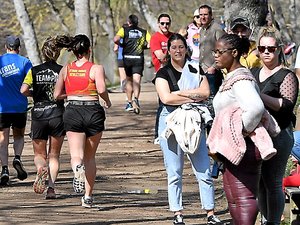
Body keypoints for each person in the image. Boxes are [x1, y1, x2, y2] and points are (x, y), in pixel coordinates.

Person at [154, 33, 222, 225]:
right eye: (173, 47)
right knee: (174, 171)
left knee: (203, 169)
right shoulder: (162, 73)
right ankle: (177, 213)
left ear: (186, 48)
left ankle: (210, 212)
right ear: (168, 50)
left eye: (181, 47)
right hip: (170, 122)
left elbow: (206, 93)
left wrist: (181, 94)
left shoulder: (194, 68)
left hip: (193, 119)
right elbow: (166, 99)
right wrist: (193, 95)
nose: (178, 50)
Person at [207, 33, 265, 224]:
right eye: (214, 51)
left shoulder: (241, 80)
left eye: (219, 51)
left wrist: (239, 132)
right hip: (234, 148)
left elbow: (256, 108)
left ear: (233, 53)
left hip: (244, 148)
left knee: (243, 198)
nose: (215, 55)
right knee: (233, 198)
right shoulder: (231, 77)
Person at [54, 34, 111, 208]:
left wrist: (71, 94)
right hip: (93, 110)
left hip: (73, 110)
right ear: (89, 50)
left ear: (74, 51)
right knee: (90, 157)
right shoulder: (96, 68)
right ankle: (87, 196)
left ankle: (77, 168)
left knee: (76, 155)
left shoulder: (66, 69)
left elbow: (56, 95)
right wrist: (107, 101)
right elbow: (101, 88)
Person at [251, 27, 299, 225]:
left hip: (279, 135)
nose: (266, 52)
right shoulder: (253, 72)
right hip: (256, 135)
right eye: (262, 48)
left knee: (273, 181)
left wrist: (258, 96)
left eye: (271, 48)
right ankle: (265, 221)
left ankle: (274, 222)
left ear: (279, 49)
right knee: (260, 183)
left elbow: (286, 106)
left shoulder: (287, 76)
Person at [20, 36, 65, 199]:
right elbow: (63, 92)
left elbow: (23, 90)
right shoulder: (63, 70)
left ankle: (41, 169)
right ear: (57, 53)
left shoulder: (34, 70)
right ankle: (51, 189)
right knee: (54, 155)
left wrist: (35, 94)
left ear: (43, 53)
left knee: (40, 155)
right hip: (57, 115)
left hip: (39, 113)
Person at [0, 35, 32, 185]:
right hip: (19, 106)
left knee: (2, 139)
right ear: (19, 48)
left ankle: (4, 169)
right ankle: (17, 158)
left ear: (6, 47)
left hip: (2, 107)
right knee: (19, 136)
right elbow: (30, 83)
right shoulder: (25, 62)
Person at [114, 14, 151, 114]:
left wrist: (121, 44)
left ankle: (129, 102)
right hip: (138, 58)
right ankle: (136, 99)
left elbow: (115, 39)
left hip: (127, 58)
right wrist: (144, 47)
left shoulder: (124, 30)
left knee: (129, 81)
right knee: (137, 81)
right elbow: (150, 43)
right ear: (137, 22)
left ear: (129, 22)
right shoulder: (144, 32)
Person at [150, 13, 173, 144]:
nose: (165, 26)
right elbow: (161, 58)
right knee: (162, 104)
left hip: (175, 73)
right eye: (163, 23)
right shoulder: (155, 38)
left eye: (167, 23)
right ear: (158, 24)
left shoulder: (172, 36)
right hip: (162, 74)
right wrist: (172, 52)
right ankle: (158, 134)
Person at [198, 4, 225, 108]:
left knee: (213, 100)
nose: (203, 17)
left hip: (213, 72)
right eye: (201, 15)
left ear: (210, 15)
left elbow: (223, 50)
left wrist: (214, 67)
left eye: (205, 14)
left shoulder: (217, 28)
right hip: (202, 70)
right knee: (204, 99)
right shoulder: (201, 30)